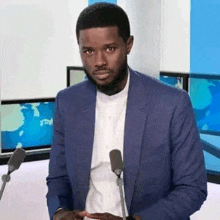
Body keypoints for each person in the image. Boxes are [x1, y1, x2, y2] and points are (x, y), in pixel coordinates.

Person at [46, 3, 207, 220]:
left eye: (110, 48)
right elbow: (58, 177)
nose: (99, 61)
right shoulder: (68, 102)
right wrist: (59, 213)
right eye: (89, 51)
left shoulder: (172, 104)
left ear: (128, 45)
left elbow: (192, 188)